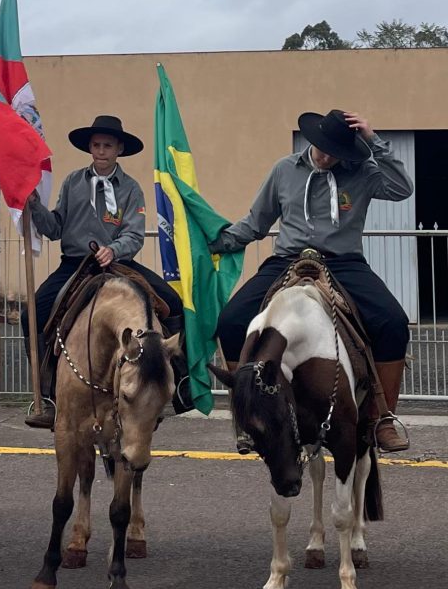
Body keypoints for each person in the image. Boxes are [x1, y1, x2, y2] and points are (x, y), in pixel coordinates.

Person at [210, 108, 415, 453]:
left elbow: (402, 188)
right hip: (287, 260)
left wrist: (373, 141)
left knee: (393, 322)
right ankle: (247, 414)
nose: (326, 156)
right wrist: (215, 243)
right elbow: (256, 222)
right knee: (231, 321)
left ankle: (382, 418)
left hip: (343, 262)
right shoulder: (284, 169)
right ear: (312, 139)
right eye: (323, 148)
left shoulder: (362, 171)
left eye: (336, 152)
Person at [21, 113, 186, 429]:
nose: (100, 151)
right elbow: (55, 227)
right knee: (35, 311)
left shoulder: (131, 189)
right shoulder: (72, 182)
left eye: (107, 145)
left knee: (171, 302)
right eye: (96, 145)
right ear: (90, 148)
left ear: (119, 149)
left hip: (118, 263)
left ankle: (179, 383)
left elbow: (134, 234)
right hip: (75, 264)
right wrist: (34, 206)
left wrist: (115, 248)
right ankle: (47, 392)